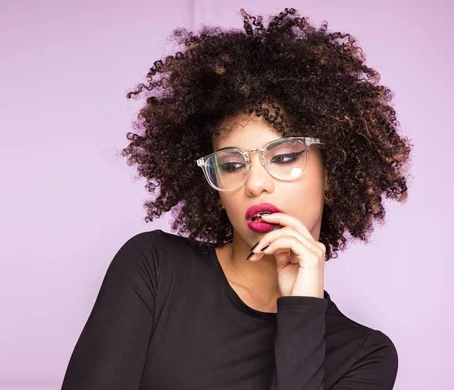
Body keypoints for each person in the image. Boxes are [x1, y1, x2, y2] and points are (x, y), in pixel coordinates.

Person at [61, 7, 412, 389]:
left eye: (283, 156)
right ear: (215, 191)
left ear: (333, 172)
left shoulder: (364, 356)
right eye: (231, 165)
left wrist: (303, 312)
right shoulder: (155, 269)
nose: (255, 184)